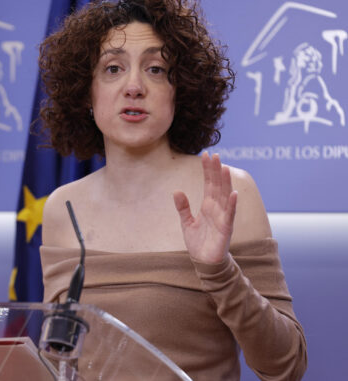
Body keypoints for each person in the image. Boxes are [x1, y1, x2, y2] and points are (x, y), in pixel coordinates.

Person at [38, 1, 308, 380]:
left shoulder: (230, 192)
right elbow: (60, 358)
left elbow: (286, 365)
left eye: (156, 69)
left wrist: (220, 272)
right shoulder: (61, 207)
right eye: (113, 69)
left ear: (180, 90)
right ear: (86, 92)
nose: (134, 87)